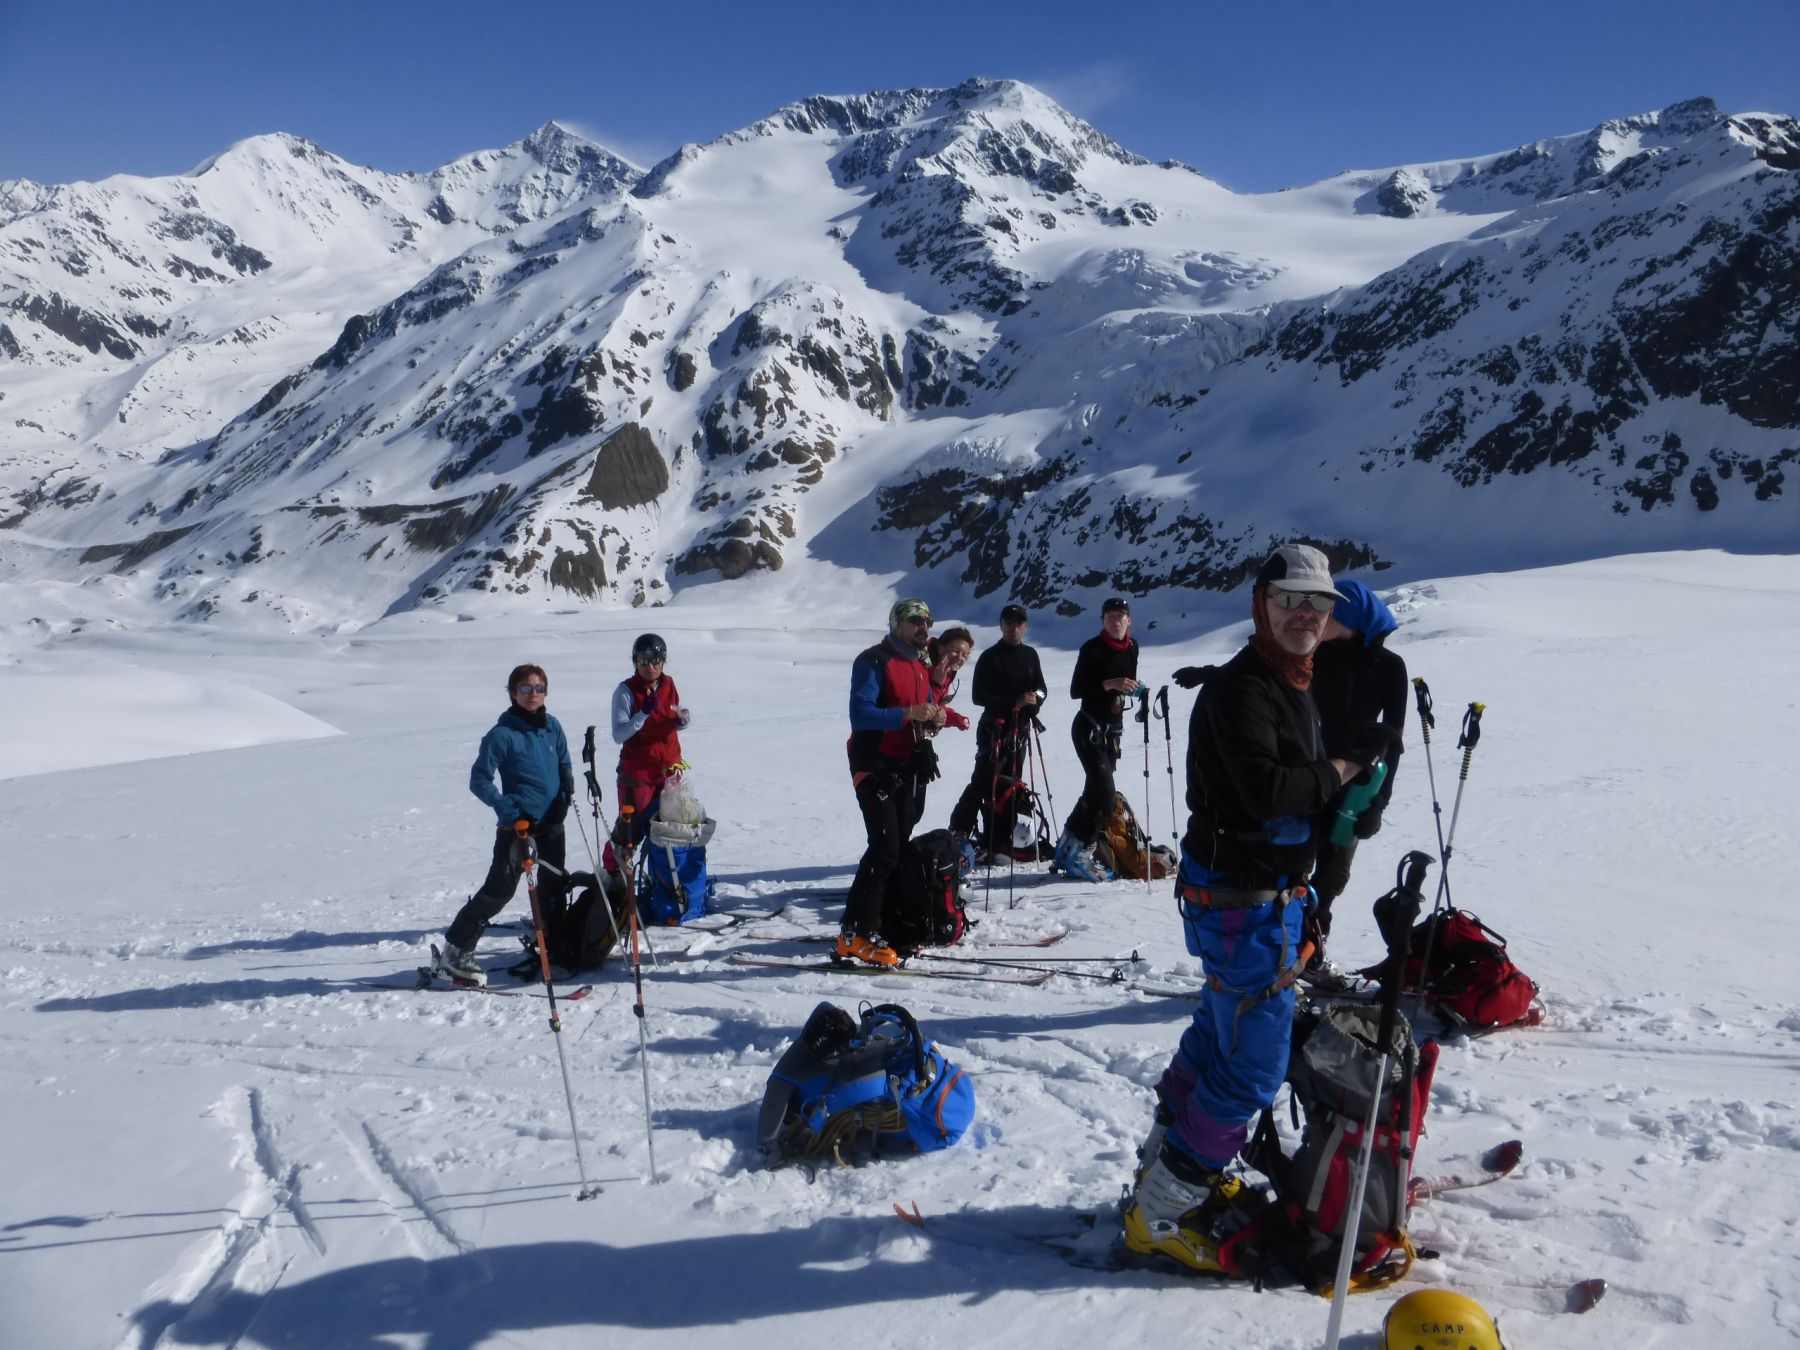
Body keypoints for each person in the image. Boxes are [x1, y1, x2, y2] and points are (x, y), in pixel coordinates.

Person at [1122, 544, 1394, 1270]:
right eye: (1290, 599)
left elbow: (1287, 797)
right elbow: (1267, 794)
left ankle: (1165, 1166)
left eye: (1320, 603)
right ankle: (1166, 1208)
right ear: (1261, 605)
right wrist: (1342, 769)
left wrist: (1339, 803)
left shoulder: (1290, 680)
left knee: (1220, 1036)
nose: (1306, 613)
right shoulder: (1244, 690)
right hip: (1244, 905)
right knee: (1253, 1064)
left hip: (1251, 901)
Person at [440, 663, 575, 987]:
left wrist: (564, 794)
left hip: (552, 823)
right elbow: (479, 780)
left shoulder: (552, 726)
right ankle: (456, 951)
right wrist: (510, 811)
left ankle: (551, 944)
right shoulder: (502, 734)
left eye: (539, 687)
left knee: (553, 885)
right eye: (525, 688)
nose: (533, 694)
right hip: (518, 827)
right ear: (512, 692)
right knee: (498, 890)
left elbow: (564, 761)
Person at [1306, 580, 1407, 976]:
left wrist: (1379, 803)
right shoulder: (1312, 654)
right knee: (1291, 867)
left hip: (1356, 786)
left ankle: (1310, 951)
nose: (1319, 618)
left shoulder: (1389, 667)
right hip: (1307, 775)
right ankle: (1282, 953)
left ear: (1350, 617)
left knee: (1331, 877)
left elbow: (1393, 741)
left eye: (1329, 612)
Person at [842, 598, 947, 967]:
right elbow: (861, 713)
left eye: (927, 621)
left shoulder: (920, 663)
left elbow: (926, 704)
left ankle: (882, 920)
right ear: (897, 623)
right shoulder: (874, 660)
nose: (924, 628)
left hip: (907, 767)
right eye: (916, 620)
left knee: (897, 846)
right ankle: (854, 932)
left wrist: (936, 716)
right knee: (885, 846)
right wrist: (909, 713)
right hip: (873, 766)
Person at [950, 603, 1049, 860]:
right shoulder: (990, 657)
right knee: (986, 782)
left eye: (1018, 623)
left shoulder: (1030, 655)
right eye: (1008, 622)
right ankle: (977, 837)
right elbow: (978, 696)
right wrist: (1013, 702)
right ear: (1001, 625)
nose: (1013, 627)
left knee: (1011, 786)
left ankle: (1002, 842)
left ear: (1025, 627)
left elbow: (1041, 689)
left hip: (1019, 730)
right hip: (993, 728)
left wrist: (1033, 700)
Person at [1056, 595, 1140, 882]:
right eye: (1110, 616)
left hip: (1111, 732)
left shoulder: (1133, 647)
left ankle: (1068, 843)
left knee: (1094, 792)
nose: (1116, 621)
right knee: (1104, 796)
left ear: (1129, 620)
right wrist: (1111, 684)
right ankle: (1082, 855)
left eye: (1121, 616)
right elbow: (1076, 690)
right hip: (1087, 729)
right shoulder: (1092, 649)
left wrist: (1132, 689)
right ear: (1102, 620)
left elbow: (1125, 683)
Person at [603, 633, 691, 877]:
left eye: (655, 660)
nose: (649, 666)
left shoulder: (668, 684)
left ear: (663, 660)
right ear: (635, 662)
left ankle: (663, 882)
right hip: (638, 775)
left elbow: (671, 719)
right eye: (643, 660)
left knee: (669, 831)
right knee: (629, 833)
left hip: (669, 770)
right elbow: (619, 734)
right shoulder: (625, 691)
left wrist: (682, 720)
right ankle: (613, 878)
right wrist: (642, 714)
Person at [915, 627, 974, 828]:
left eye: (965, 654)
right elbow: (923, 705)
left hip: (919, 740)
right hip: (906, 740)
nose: (960, 657)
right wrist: (937, 683)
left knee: (915, 808)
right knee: (909, 807)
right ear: (940, 648)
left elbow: (938, 709)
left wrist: (955, 719)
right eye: (956, 651)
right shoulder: (925, 667)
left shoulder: (946, 671)